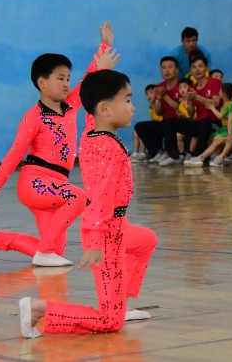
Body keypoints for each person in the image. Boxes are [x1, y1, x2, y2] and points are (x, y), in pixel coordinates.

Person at [19, 69, 159, 337]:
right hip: (106, 235)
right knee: (110, 323)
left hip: (118, 227)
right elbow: (100, 198)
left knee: (146, 241)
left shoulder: (92, 135)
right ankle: (39, 309)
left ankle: (120, 303)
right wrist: (96, 243)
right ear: (105, 109)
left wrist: (101, 63)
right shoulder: (106, 147)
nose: (133, 107)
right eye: (128, 100)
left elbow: (88, 110)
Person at [0, 24, 117, 267]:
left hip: (57, 183)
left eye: (68, 78)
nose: (66, 84)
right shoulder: (34, 116)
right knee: (78, 196)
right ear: (42, 82)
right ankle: (42, 250)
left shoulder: (71, 106)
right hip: (35, 183)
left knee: (53, 250)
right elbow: (15, 152)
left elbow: (88, 80)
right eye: (60, 78)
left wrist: (103, 47)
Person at [184, 81, 232, 167]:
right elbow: (230, 120)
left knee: (215, 130)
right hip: (226, 128)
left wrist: (212, 108)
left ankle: (220, 157)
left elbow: (228, 119)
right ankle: (201, 157)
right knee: (215, 136)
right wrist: (229, 133)